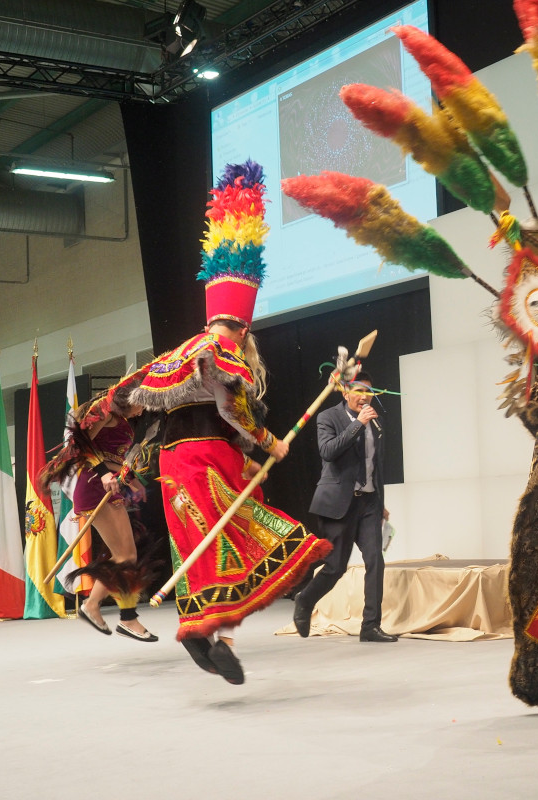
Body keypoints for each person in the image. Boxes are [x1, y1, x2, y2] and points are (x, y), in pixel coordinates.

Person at [129, 161, 332, 684]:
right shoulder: (223, 351)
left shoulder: (175, 353)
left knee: (199, 548)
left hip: (173, 467)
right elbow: (229, 407)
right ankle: (216, 634)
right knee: (244, 534)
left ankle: (206, 631)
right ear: (242, 324)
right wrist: (268, 443)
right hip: (209, 459)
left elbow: (138, 402)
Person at [39, 386, 157, 642]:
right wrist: (104, 473)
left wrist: (133, 480)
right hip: (93, 483)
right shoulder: (104, 410)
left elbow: (112, 458)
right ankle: (126, 617)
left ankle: (95, 606)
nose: (142, 410)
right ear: (130, 399)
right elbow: (81, 447)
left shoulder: (123, 420)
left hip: (106, 482)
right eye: (141, 404)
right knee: (126, 555)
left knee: (125, 555)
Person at [292, 372, 396, 642]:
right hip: (338, 503)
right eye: (359, 391)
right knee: (336, 567)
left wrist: (381, 502)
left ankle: (370, 626)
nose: (364, 397)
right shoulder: (328, 418)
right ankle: (305, 600)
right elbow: (328, 452)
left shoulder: (377, 422)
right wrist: (357, 425)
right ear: (345, 393)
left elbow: (375, 465)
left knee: (375, 560)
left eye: (369, 392)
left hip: (369, 503)